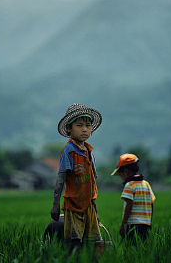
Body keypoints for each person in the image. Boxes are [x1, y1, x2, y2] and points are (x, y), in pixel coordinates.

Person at [50, 103, 103, 254]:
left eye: (88, 125)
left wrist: (96, 212)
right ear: (69, 128)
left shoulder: (89, 152)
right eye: (79, 125)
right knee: (74, 244)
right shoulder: (69, 150)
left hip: (89, 207)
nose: (84, 129)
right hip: (73, 206)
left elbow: (92, 185)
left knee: (94, 245)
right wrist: (55, 204)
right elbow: (61, 178)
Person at [111, 153, 156, 242]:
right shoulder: (146, 184)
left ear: (126, 172)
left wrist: (124, 223)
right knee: (142, 249)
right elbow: (151, 203)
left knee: (129, 248)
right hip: (145, 224)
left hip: (132, 225)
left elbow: (129, 204)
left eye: (121, 175)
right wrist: (149, 221)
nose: (122, 178)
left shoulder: (129, 185)